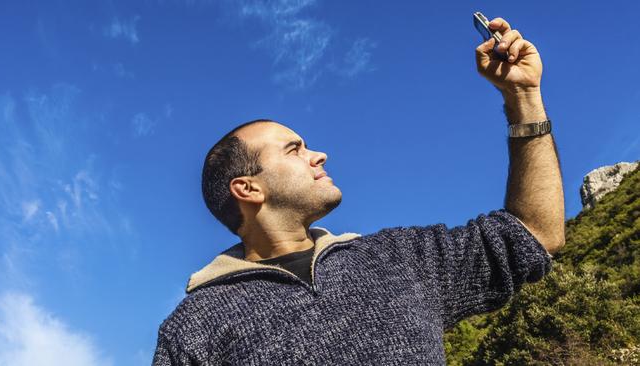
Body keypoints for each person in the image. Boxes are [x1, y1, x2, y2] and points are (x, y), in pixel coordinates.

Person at [152, 16, 564, 365]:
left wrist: (523, 96)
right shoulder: (194, 328)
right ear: (248, 188)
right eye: (295, 149)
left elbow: (535, 234)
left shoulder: (401, 258)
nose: (320, 155)